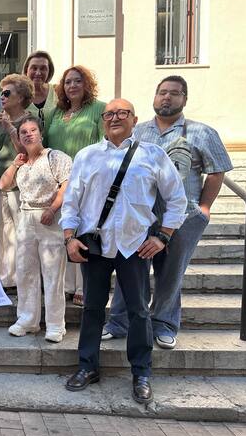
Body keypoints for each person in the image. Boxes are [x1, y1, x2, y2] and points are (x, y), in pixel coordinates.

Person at [61, 98, 186, 404]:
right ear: (103, 120)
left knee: (139, 311)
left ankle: (141, 373)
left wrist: (163, 237)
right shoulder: (87, 156)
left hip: (134, 246)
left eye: (122, 113)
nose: (115, 118)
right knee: (92, 309)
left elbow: (177, 199)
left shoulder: (152, 155)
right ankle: (88, 366)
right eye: (109, 114)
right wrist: (69, 238)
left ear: (134, 119)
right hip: (95, 245)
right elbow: (71, 201)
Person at [103, 76, 233, 349]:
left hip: (183, 216)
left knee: (170, 273)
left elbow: (216, 171)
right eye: (162, 92)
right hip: (140, 215)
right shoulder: (137, 131)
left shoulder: (201, 132)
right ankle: (119, 322)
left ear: (184, 98)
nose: (167, 97)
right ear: (154, 96)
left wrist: (205, 208)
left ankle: (164, 324)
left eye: (174, 93)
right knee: (130, 268)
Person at [0, 117, 71, 341]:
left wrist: (53, 208)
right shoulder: (21, 163)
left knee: (52, 274)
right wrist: (15, 164)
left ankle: (55, 325)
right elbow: (3, 185)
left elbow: (67, 184)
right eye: (23, 132)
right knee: (25, 271)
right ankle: (27, 320)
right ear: (19, 137)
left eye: (32, 130)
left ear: (41, 133)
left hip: (50, 218)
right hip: (26, 217)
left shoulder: (55, 157)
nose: (28, 134)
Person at [46, 65, 106, 307]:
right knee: (64, 230)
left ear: (87, 84)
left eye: (78, 81)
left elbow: (105, 145)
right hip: (58, 180)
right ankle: (67, 285)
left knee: (83, 230)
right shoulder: (55, 112)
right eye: (68, 82)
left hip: (87, 179)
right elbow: (46, 144)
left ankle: (82, 285)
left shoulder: (99, 109)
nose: (72, 85)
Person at [0, 74, 33, 288]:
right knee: (4, 235)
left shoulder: (29, 121)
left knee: (20, 234)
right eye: (1, 93)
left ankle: (22, 279)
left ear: (21, 97)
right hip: (0, 185)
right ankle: (6, 279)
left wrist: (10, 128)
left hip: (20, 186)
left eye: (7, 93)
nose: (2, 96)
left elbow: (27, 152)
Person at [23, 50, 57, 123]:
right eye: (34, 68)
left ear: (49, 71)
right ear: (26, 70)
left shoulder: (57, 91)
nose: (38, 73)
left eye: (43, 68)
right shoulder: (18, 94)